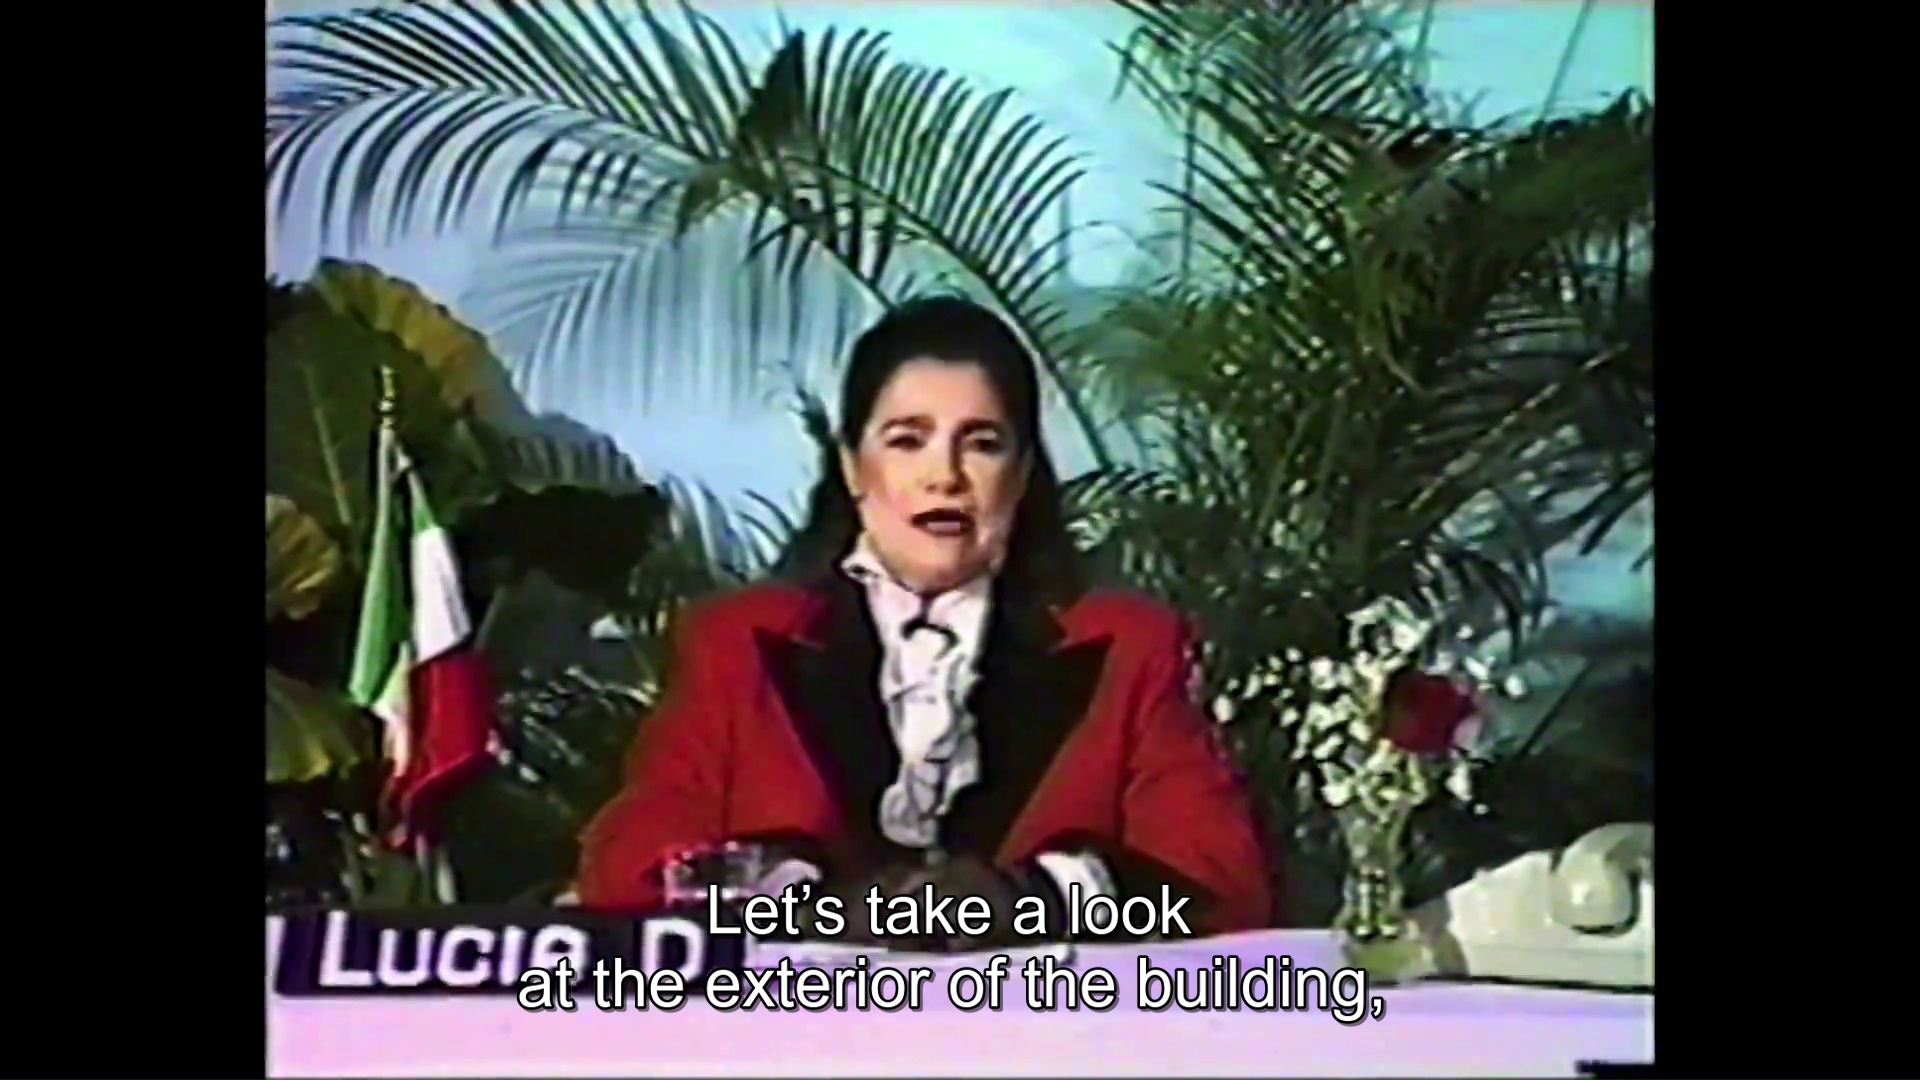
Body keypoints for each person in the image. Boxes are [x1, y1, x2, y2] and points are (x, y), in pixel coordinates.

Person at [574, 296, 1275, 946]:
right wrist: (798, 899)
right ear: (853, 467)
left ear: (1021, 474)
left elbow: (1220, 885)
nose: (945, 476)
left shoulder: (1132, 646)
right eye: (907, 440)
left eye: (982, 443)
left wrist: (1035, 897)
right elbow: (627, 872)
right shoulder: (735, 643)